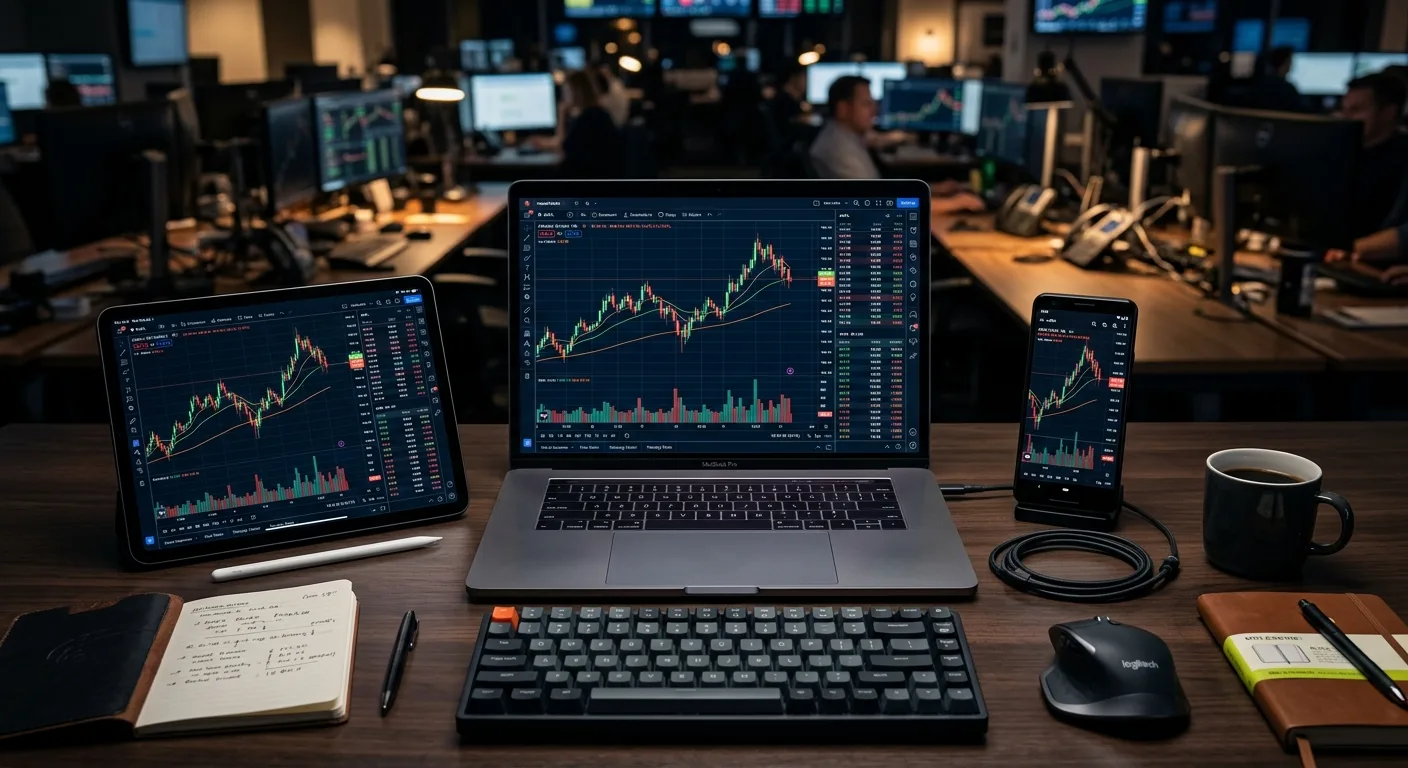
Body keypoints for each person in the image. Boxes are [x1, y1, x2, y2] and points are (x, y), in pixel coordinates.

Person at [810, 75, 983, 213]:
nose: (874, 111)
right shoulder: (840, 150)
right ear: (843, 109)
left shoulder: (843, 137)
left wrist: (931, 189)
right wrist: (952, 204)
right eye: (866, 104)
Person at [1340, 73, 1408, 239]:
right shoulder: (1338, 152)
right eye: (1344, 110)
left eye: (1356, 110)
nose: (1345, 119)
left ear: (1388, 113)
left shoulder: (1401, 161)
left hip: (1367, 256)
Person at [556, 70, 625, 179]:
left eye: (567, 91)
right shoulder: (598, 113)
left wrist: (561, 115)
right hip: (603, 176)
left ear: (576, 92)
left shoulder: (586, 119)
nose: (564, 97)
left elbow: (564, 147)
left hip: (588, 180)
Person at [1248, 47, 1303, 113]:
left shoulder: (1259, 85)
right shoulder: (1288, 90)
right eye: (1290, 61)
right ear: (1285, 63)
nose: (1292, 64)